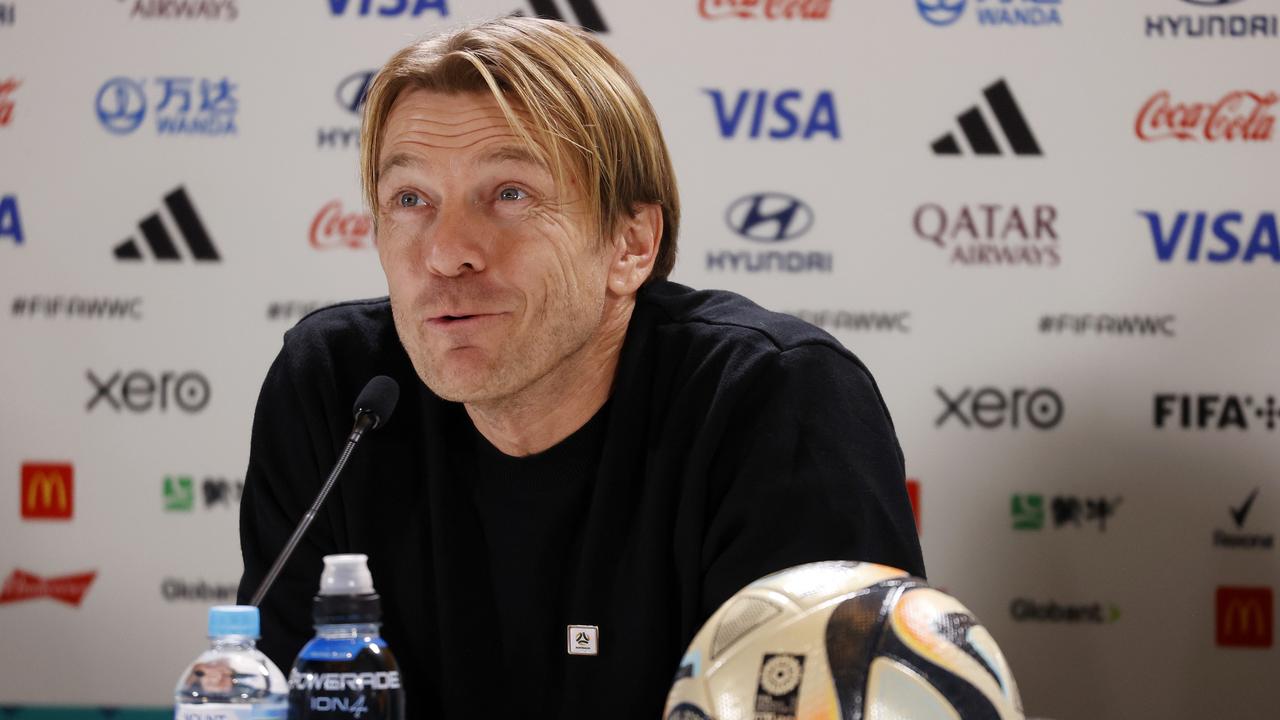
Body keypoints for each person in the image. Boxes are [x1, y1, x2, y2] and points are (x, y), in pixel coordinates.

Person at [237, 16, 924, 719]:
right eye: (411, 201)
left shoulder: (776, 403)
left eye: (510, 195)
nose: (447, 253)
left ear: (631, 245)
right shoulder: (336, 389)